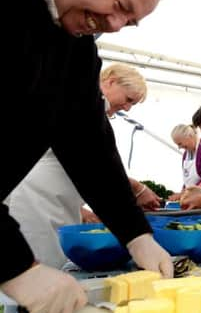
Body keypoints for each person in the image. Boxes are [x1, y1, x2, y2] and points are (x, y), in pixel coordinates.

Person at [0, 0, 173, 313]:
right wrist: (15, 266)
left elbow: (89, 144)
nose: (112, 24)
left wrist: (137, 235)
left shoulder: (77, 47)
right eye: (119, 4)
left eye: (127, 22)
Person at [7, 63, 161, 273]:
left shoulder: (93, 112)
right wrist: (137, 189)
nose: (127, 108)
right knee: (36, 273)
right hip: (36, 202)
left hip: (57, 203)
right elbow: (96, 166)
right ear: (111, 81)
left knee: (55, 268)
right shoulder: (77, 103)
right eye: (128, 99)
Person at [170, 124, 201, 197]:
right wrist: (182, 192)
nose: (179, 147)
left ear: (189, 137)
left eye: (180, 143)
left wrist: (186, 193)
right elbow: (187, 180)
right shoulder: (186, 154)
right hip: (192, 195)